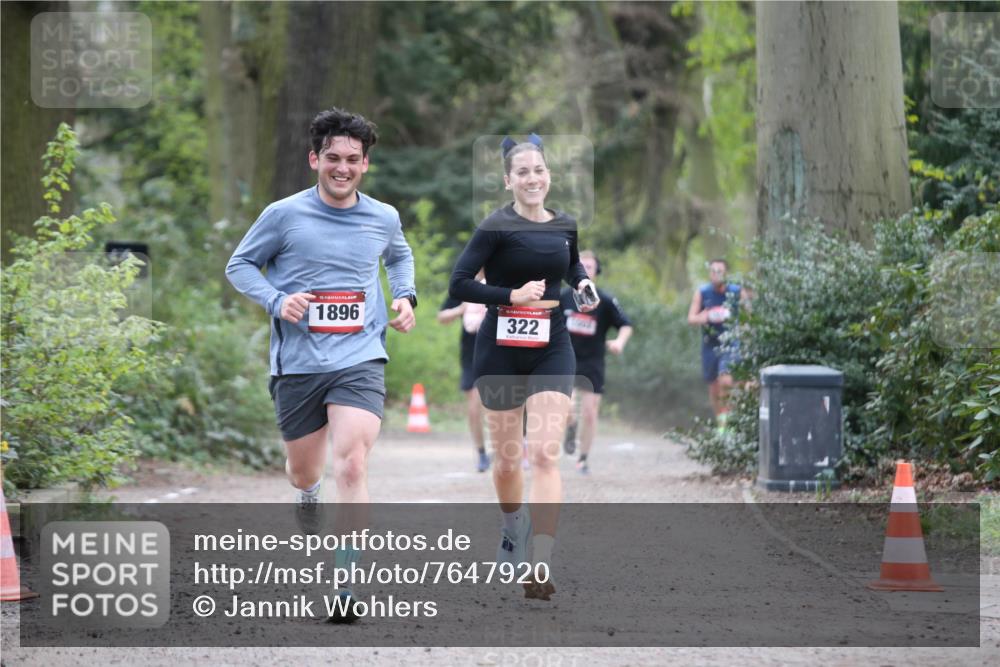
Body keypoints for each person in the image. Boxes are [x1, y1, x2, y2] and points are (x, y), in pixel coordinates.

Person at [225, 107, 416, 622]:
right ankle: (308, 491)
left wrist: (405, 297)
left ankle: (346, 582)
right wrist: (275, 300)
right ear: (315, 159)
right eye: (333, 157)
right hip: (300, 362)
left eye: (353, 159)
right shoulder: (283, 215)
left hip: (360, 355)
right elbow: (239, 264)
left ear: (365, 164)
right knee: (302, 468)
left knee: (352, 461)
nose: (342, 168)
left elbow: (399, 258)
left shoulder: (383, 217)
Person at [449, 134, 597, 602]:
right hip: (499, 350)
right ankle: (514, 527)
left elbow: (571, 266)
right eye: (523, 172)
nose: (533, 179)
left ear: (548, 175)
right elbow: (458, 284)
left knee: (545, 454)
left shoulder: (566, 224)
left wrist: (584, 284)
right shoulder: (494, 226)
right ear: (508, 180)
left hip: (552, 345)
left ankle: (542, 561)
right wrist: (510, 296)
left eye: (539, 170)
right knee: (509, 460)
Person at [559, 250, 633, 474]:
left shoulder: (606, 300)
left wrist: (620, 341)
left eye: (590, 267)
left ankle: (582, 459)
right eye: (581, 266)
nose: (585, 270)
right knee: (567, 408)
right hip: (565, 360)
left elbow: (626, 324)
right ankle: (570, 428)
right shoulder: (562, 297)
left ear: (596, 273)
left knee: (590, 413)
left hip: (593, 362)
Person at [437, 270, 490, 472]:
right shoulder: (463, 287)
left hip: (499, 352)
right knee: (475, 406)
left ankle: (513, 448)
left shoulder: (502, 282)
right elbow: (442, 316)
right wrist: (461, 309)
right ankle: (482, 453)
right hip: (472, 356)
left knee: (501, 407)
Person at [687, 258, 746, 432]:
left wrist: (738, 323)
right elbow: (691, 318)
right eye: (713, 271)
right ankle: (721, 423)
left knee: (725, 380)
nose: (716, 274)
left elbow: (749, 317)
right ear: (709, 273)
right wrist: (704, 317)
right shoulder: (702, 293)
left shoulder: (737, 292)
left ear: (726, 274)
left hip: (731, 342)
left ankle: (729, 423)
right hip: (710, 344)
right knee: (713, 388)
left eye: (720, 271)